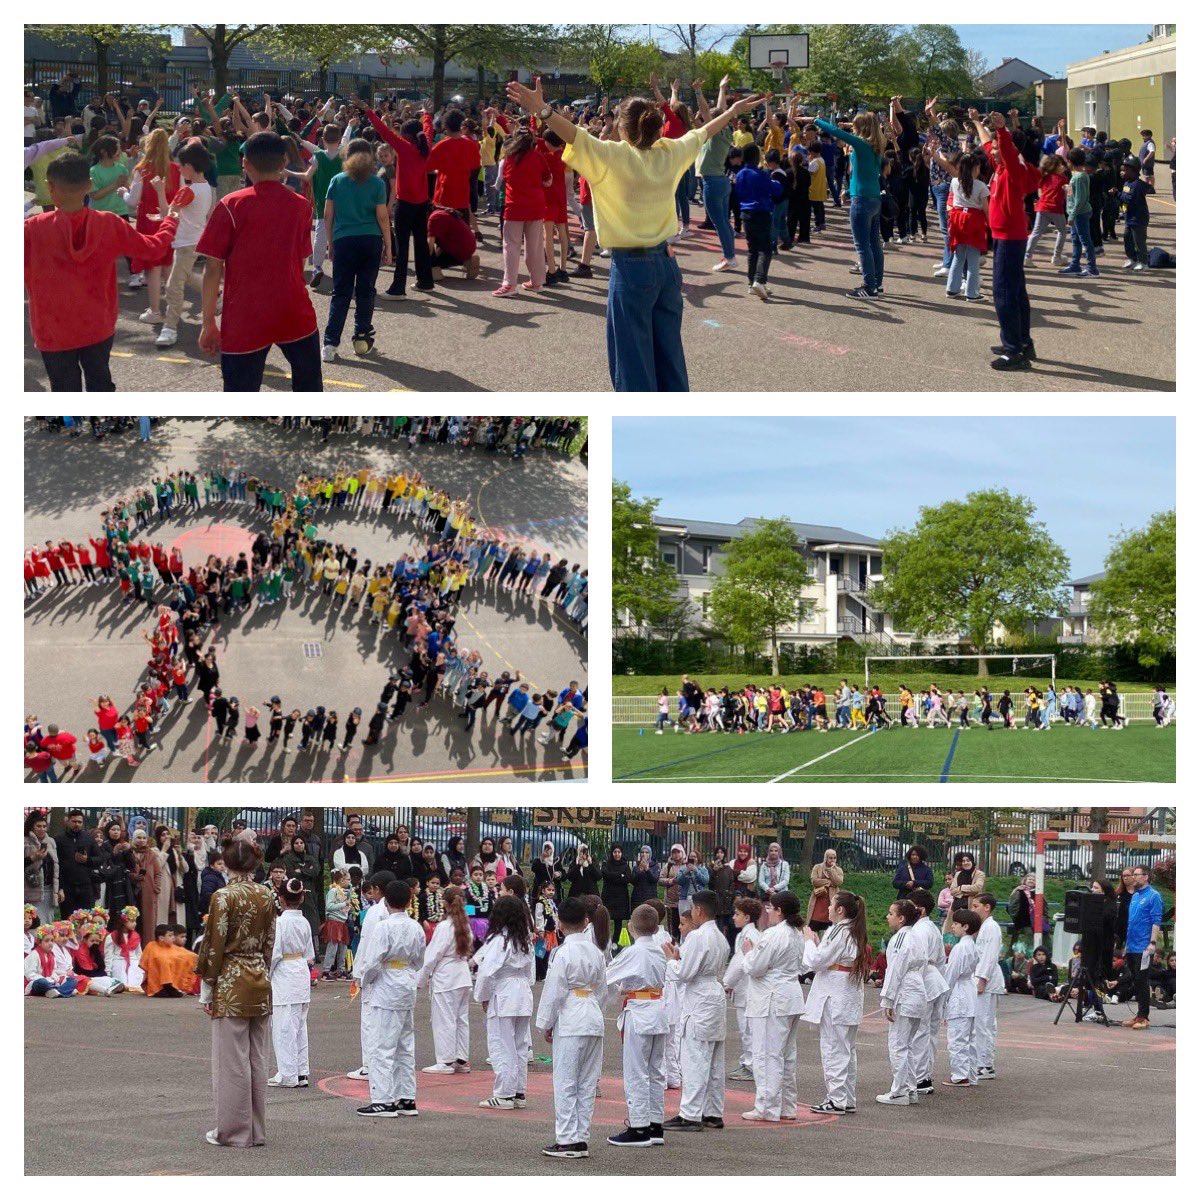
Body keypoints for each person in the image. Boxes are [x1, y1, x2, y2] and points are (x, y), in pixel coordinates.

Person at [505, 75, 766, 391]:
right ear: (657, 128)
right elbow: (702, 132)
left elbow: (572, 134)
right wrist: (732, 109)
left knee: (633, 364)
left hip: (631, 268)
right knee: (670, 356)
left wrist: (543, 110)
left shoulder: (611, 156)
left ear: (623, 128)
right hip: (666, 265)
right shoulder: (669, 153)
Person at [24, 153, 180, 390]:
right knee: (100, 381)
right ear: (89, 185)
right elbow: (154, 248)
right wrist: (170, 221)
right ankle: (103, 425)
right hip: (97, 323)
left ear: (50, 187)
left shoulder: (31, 230)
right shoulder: (109, 223)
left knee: (64, 391)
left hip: (52, 329)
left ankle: (71, 427)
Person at [195, 130, 322, 391]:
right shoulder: (300, 206)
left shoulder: (230, 205)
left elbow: (212, 268)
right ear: (284, 163)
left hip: (245, 314)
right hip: (292, 306)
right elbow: (300, 261)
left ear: (245, 163)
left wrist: (208, 322)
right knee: (309, 388)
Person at [196, 837, 276, 1148]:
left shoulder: (223, 896)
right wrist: (262, 969)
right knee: (257, 1058)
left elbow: (213, 946)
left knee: (231, 1060)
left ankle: (231, 1131)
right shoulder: (266, 895)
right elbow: (270, 941)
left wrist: (207, 987)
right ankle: (255, 1129)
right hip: (259, 976)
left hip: (230, 979)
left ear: (227, 864)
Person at [535, 895, 607, 1159]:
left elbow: (554, 991)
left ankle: (566, 1139)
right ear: (585, 921)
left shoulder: (563, 953)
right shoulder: (596, 951)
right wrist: (596, 1010)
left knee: (566, 1080)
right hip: (592, 1014)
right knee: (587, 1082)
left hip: (572, 1016)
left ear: (561, 925)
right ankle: (581, 1137)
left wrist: (546, 1022)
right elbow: (603, 989)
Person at [353, 879, 425, 1117]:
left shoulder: (383, 927)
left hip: (387, 984)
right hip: (406, 981)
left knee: (382, 1044)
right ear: (409, 900)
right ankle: (406, 1097)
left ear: (386, 901)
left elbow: (372, 962)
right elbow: (418, 961)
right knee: (405, 1044)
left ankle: (383, 1099)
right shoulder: (416, 927)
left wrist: (365, 981)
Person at [662, 889, 730, 1133]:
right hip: (713, 993)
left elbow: (684, 973)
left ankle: (690, 1113)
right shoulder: (720, 937)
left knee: (695, 1057)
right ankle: (712, 1110)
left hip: (700, 997)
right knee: (713, 1059)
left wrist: (672, 960)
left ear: (699, 910)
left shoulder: (699, 936)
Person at [605, 901, 671, 1147]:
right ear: (656, 929)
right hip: (657, 1008)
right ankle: (655, 1124)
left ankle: (639, 1126)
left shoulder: (634, 952)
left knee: (636, 1070)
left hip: (640, 1011)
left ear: (631, 927)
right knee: (655, 1070)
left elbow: (608, 975)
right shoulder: (658, 950)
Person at [321, 138, 392, 362]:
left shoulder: (337, 180)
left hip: (344, 239)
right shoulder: (377, 183)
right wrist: (389, 245)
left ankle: (330, 344)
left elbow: (327, 215)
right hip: (370, 239)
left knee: (340, 293)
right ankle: (361, 338)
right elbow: (382, 217)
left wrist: (330, 242)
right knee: (365, 290)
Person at [802, 891, 870, 1115]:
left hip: (836, 993)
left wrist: (809, 942)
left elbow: (815, 961)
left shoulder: (839, 930)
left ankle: (836, 1099)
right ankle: (846, 1097)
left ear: (840, 910)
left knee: (834, 1048)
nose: (828, 908)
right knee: (846, 1048)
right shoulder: (852, 930)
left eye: (831, 905)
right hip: (846, 993)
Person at [740, 891, 806, 1122]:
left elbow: (756, 967)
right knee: (786, 1056)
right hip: (789, 997)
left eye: (770, 908)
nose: (767, 912)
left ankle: (767, 1106)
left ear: (779, 911)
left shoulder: (773, 935)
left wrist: (748, 954)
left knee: (767, 1055)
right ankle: (787, 1105)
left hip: (772, 1000)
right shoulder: (797, 934)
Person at [814, 112, 886, 299]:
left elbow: (835, 131)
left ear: (861, 127)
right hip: (874, 197)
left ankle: (869, 287)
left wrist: (814, 120)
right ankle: (876, 283)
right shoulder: (877, 145)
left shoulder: (861, 144)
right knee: (874, 244)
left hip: (861, 199)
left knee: (862, 245)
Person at [474, 895, 534, 1111]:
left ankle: (504, 1094)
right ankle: (518, 1091)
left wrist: (483, 996)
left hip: (504, 991)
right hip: (522, 991)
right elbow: (530, 972)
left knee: (502, 1044)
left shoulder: (499, 940)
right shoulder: (524, 939)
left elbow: (486, 972)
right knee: (519, 1045)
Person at [417, 884, 473, 1074]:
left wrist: (421, 979)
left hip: (446, 977)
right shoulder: (464, 925)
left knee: (445, 1019)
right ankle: (461, 1058)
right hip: (462, 975)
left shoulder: (444, 927)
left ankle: (446, 1061)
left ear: (445, 903)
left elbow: (432, 956)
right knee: (460, 1019)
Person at [268, 877, 316, 1089]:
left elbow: (274, 954)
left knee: (284, 1026)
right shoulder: (304, 921)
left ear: (280, 899)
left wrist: (265, 975)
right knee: (299, 1026)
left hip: (285, 974)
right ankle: (301, 1071)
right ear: (302, 897)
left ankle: (288, 1073)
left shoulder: (280, 923)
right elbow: (309, 954)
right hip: (300, 970)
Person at [876, 899, 924, 1105]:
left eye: (890, 913)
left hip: (905, 993)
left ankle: (900, 1091)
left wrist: (888, 999)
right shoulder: (915, 936)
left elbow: (895, 970)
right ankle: (910, 1088)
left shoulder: (900, 938)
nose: (888, 917)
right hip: (916, 991)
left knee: (897, 1045)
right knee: (907, 1045)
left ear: (901, 918)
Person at [907, 889, 950, 1095]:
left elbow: (920, 961)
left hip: (925, 981)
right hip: (935, 981)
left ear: (920, 910)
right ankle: (925, 1074)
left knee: (920, 1031)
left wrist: (915, 988)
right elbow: (941, 959)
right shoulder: (932, 928)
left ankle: (920, 1077)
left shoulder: (920, 930)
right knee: (929, 1032)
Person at [723, 896, 762, 1081]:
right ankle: (750, 1063)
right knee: (748, 1029)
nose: (733, 917)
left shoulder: (749, 936)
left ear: (747, 917)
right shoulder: (747, 934)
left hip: (747, 990)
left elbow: (739, 963)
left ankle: (750, 1065)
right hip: (745, 989)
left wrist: (727, 983)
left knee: (748, 1030)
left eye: (737, 914)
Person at [942, 908, 982, 1086]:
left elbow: (951, 974)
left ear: (965, 927)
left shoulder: (960, 948)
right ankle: (971, 1073)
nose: (953, 927)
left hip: (960, 992)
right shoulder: (972, 946)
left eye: (956, 924)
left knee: (957, 1037)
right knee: (970, 1039)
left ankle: (960, 1075)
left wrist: (944, 998)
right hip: (970, 992)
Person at [1122, 865, 1164, 1030]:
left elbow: (1155, 921)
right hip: (1132, 946)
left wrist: (1152, 943)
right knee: (1135, 980)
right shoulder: (1135, 896)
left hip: (1144, 947)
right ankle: (1139, 1014)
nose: (1133, 877)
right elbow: (1131, 922)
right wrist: (1126, 944)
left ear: (1145, 876)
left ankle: (1144, 1017)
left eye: (1136, 874)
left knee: (1141, 980)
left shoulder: (1153, 896)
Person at [969, 892, 1005, 1080]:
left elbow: (990, 955)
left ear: (987, 907)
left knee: (984, 1023)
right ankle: (981, 1062)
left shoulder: (992, 927)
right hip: (983, 978)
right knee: (982, 1023)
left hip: (988, 981)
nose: (973, 910)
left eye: (976, 906)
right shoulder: (984, 927)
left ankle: (985, 1065)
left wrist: (982, 978)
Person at [600, 845, 633, 947]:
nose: (617, 854)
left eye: (619, 852)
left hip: (621, 897)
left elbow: (627, 879)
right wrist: (619, 875)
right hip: (608, 896)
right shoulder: (606, 864)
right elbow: (605, 875)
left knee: (618, 921)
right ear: (612, 853)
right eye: (615, 852)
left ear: (621, 853)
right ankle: (604, 941)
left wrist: (613, 876)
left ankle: (615, 941)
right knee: (605, 919)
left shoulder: (625, 865)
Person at [807, 849, 843, 933]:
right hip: (818, 900)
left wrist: (832, 870)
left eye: (834, 858)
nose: (833, 860)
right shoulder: (817, 867)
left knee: (830, 924)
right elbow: (814, 881)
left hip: (831, 900)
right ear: (825, 858)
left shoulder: (838, 870)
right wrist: (829, 882)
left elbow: (838, 882)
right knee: (814, 925)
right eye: (830, 858)